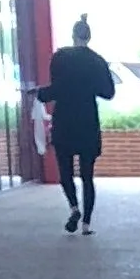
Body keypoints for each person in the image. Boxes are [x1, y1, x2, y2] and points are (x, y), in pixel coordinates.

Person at [44, 14, 118, 232]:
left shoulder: (60, 58)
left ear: (73, 35)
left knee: (65, 173)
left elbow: (56, 89)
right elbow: (108, 93)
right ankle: (86, 224)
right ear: (89, 37)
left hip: (64, 121)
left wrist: (40, 94)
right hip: (87, 122)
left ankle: (74, 208)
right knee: (87, 176)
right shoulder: (97, 61)